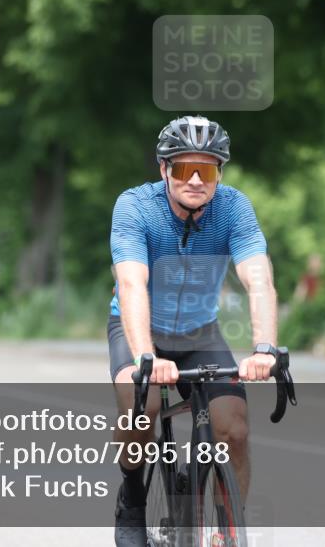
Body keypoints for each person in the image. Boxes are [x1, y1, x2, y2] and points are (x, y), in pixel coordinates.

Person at [108, 115, 279, 546]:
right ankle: (131, 499)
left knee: (233, 428)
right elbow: (131, 282)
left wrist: (265, 347)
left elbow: (258, 277)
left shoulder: (234, 208)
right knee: (140, 407)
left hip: (200, 334)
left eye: (210, 169)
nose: (198, 179)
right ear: (164, 168)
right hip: (139, 331)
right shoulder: (135, 206)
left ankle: (227, 528)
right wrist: (146, 355)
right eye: (186, 168)